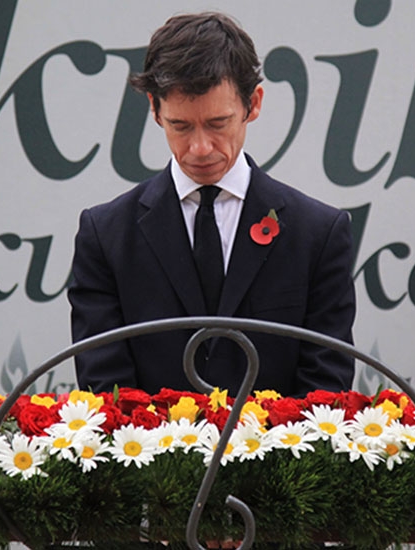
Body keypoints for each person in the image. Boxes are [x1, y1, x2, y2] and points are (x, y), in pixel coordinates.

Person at [67, 12, 356, 397]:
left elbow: (325, 389)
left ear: (253, 104)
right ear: (155, 110)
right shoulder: (104, 235)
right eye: (181, 126)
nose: (200, 149)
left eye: (218, 123)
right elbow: (105, 391)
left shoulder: (318, 234)